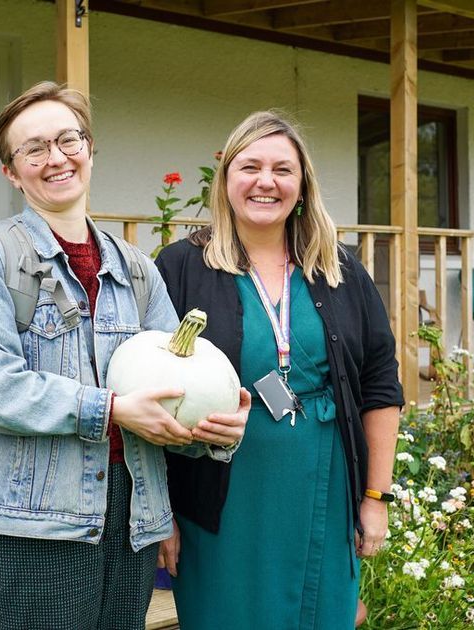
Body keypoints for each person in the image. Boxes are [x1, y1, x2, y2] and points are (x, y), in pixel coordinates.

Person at [0, 81, 248, 630]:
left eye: (68, 139)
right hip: (34, 523)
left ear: (90, 149)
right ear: (12, 172)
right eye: (33, 149)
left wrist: (213, 428)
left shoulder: (137, 269)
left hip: (132, 514)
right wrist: (110, 410)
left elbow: (170, 390)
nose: (55, 158)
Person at [155, 111, 404, 629]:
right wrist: (160, 515)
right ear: (226, 181)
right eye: (250, 166)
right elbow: (149, 396)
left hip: (325, 481)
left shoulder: (340, 269)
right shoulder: (181, 267)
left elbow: (381, 385)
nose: (265, 181)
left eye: (282, 169)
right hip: (221, 496)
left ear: (302, 185)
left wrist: (375, 498)